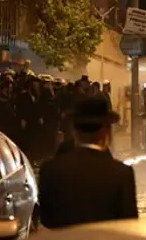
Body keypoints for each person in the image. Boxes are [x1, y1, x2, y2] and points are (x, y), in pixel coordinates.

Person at [38, 97, 137, 228]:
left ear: (74, 130)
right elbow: (129, 223)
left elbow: (47, 219)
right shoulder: (122, 173)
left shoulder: (50, 170)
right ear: (106, 131)